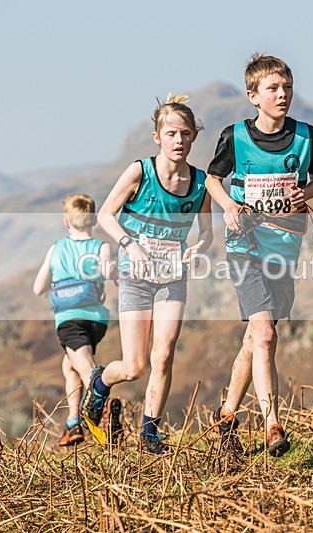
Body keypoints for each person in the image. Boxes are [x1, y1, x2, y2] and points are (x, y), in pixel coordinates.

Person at [205, 53, 313, 457]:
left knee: (254, 339)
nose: (282, 94)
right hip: (245, 247)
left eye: (287, 87)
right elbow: (212, 179)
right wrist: (228, 206)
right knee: (266, 335)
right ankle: (273, 425)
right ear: (253, 96)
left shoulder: (306, 136)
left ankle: (225, 418)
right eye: (273, 88)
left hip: (284, 249)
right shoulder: (234, 137)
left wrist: (304, 193)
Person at [82, 94, 213, 454]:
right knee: (134, 366)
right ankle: (99, 384)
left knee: (164, 354)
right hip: (136, 276)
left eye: (185, 134)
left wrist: (197, 248)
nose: (178, 140)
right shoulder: (140, 172)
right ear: (157, 137)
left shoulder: (201, 183)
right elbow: (105, 215)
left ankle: (149, 434)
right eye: (171, 133)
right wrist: (130, 244)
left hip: (173, 276)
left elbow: (207, 233)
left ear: (193, 137)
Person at [33, 194, 119, 447]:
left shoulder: (56, 248)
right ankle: (73, 423)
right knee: (69, 366)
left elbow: (38, 288)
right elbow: (109, 272)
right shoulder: (101, 247)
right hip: (96, 320)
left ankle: (104, 409)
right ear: (94, 221)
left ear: (66, 221)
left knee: (86, 369)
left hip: (69, 319)